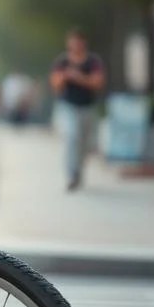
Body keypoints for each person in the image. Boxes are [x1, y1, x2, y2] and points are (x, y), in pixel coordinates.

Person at [48, 29, 105, 191]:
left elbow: (98, 83)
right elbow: (56, 85)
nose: (76, 45)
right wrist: (65, 77)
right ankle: (72, 174)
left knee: (88, 144)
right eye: (73, 41)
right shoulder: (62, 61)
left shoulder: (93, 61)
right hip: (68, 106)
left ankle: (78, 169)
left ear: (84, 43)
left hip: (88, 107)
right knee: (72, 137)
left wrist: (78, 77)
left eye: (79, 41)